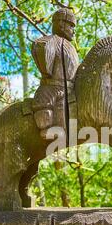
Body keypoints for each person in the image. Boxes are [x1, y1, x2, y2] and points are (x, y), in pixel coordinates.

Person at [31, 8, 79, 139]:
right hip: (52, 87)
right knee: (45, 104)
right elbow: (40, 46)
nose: (73, 30)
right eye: (71, 25)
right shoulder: (52, 40)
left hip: (69, 90)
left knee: (64, 110)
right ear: (61, 24)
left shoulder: (71, 47)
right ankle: (46, 129)